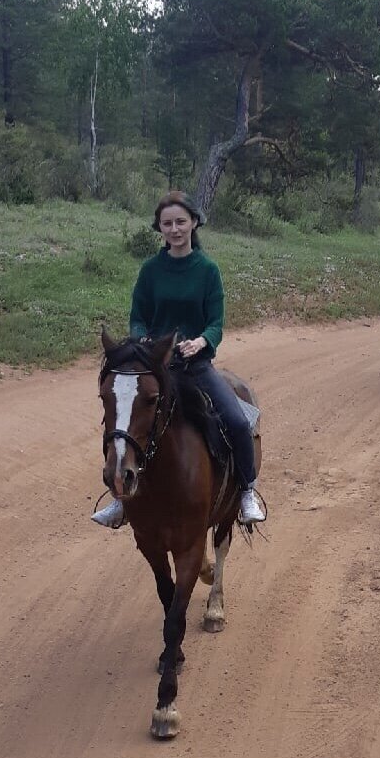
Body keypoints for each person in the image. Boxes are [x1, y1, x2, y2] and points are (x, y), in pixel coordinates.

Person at [93, 190, 265, 529]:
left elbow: (216, 322)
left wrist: (202, 340)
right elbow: (138, 315)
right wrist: (142, 336)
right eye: (167, 223)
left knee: (237, 420)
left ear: (194, 223)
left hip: (196, 367)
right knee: (123, 423)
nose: (174, 229)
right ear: (159, 227)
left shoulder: (208, 270)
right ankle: (120, 500)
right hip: (156, 366)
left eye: (180, 222)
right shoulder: (150, 270)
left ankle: (246, 492)